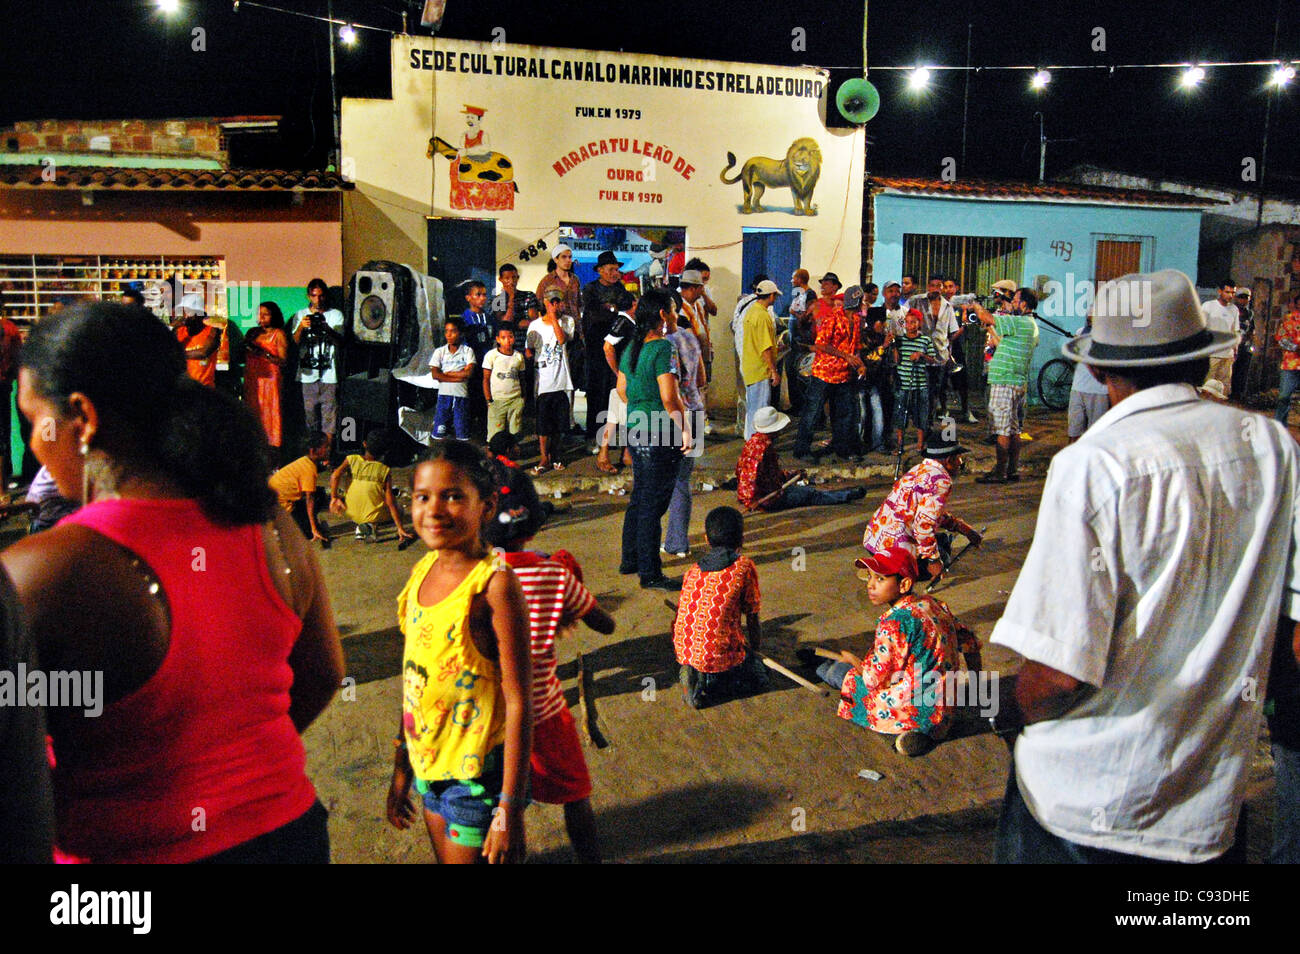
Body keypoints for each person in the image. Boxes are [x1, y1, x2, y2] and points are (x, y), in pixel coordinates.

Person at [3, 301, 344, 863]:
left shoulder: (44, 570)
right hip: (290, 834)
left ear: (82, 418)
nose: (35, 445)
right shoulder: (268, 521)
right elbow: (325, 672)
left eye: (33, 420)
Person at [988, 268, 1298, 864]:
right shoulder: (1274, 446)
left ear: (1099, 369)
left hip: (1084, 807)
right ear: (1203, 361)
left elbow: (1057, 675)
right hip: (1206, 813)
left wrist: (994, 707)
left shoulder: (1094, 464)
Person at [386, 441, 531, 864]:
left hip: (477, 782)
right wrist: (401, 769)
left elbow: (519, 699)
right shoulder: (419, 574)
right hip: (428, 770)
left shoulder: (494, 587)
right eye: (422, 497)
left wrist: (509, 809)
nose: (434, 510)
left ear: (485, 507)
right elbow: (415, 680)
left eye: (453, 496)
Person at [481, 467, 615, 863]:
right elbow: (604, 624)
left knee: (503, 802)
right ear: (534, 523)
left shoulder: (476, 576)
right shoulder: (554, 573)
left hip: (491, 715)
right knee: (575, 793)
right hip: (545, 712)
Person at [815, 544, 981, 756]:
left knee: (844, 677)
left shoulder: (893, 623)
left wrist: (854, 661)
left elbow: (874, 680)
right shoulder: (934, 604)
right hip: (946, 710)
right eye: (870, 577)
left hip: (912, 705)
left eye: (880, 579)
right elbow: (971, 643)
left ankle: (819, 666)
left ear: (904, 584)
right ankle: (922, 733)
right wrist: (976, 689)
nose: (870, 586)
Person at [618, 289, 690, 590]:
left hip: (636, 428)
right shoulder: (663, 348)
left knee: (641, 496)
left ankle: (630, 558)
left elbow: (622, 389)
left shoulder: (633, 347)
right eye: (672, 310)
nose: (675, 316)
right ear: (662, 315)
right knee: (653, 503)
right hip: (660, 431)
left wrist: (640, 405)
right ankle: (650, 573)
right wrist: (686, 429)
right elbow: (669, 398)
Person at [673, 506, 769, 709]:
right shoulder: (744, 567)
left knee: (712, 652)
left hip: (685, 650)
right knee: (761, 677)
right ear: (742, 540)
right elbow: (752, 616)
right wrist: (755, 652)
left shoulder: (693, 571)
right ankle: (715, 684)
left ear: (707, 539)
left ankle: (697, 675)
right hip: (720, 656)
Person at [862, 439, 981, 582]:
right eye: (958, 458)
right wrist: (933, 561)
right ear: (949, 460)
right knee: (944, 557)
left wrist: (963, 528)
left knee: (938, 542)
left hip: (873, 541)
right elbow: (923, 524)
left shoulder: (918, 469)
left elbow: (927, 515)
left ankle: (883, 566)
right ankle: (891, 572)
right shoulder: (941, 480)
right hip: (894, 550)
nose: (960, 462)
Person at [736, 406, 866, 511]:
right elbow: (748, 477)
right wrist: (752, 501)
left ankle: (845, 495)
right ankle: (846, 495)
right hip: (768, 498)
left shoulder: (756, 442)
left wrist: (789, 475)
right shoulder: (760, 449)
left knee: (808, 493)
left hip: (771, 489)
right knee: (811, 495)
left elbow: (761, 473)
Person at [793, 272, 864, 462]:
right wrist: (846, 356)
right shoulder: (832, 318)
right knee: (812, 412)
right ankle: (801, 449)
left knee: (843, 414)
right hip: (824, 373)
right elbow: (821, 344)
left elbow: (855, 346)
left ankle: (842, 449)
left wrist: (859, 363)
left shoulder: (856, 321)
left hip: (843, 375)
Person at [972, 288, 1039, 483]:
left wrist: (974, 303)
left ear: (1024, 304)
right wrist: (990, 329)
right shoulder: (1029, 325)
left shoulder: (1019, 322)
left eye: (1015, 300)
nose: (1012, 304)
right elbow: (1003, 345)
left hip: (1005, 382)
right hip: (1016, 382)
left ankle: (999, 472)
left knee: (1002, 430)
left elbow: (985, 315)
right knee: (1013, 429)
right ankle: (1011, 469)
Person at [663, 292, 707, 559]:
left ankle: (677, 542)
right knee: (683, 480)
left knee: (674, 482)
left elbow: (671, 387)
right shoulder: (691, 337)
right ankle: (675, 540)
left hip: (678, 415)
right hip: (696, 409)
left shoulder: (666, 343)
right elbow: (701, 377)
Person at [581, 251, 634, 450]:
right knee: (596, 393)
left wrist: (611, 309)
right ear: (600, 271)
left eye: (616, 269)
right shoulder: (591, 289)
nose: (615, 273)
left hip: (617, 350)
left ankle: (612, 435)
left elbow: (626, 309)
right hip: (596, 350)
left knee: (615, 392)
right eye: (611, 269)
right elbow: (595, 314)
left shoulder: (621, 289)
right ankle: (593, 435)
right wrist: (612, 310)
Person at [328, 428, 414, 546]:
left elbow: (335, 476)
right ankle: (369, 526)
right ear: (385, 452)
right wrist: (400, 528)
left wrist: (334, 497)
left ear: (364, 444)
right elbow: (390, 502)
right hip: (372, 515)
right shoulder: (384, 470)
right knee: (399, 509)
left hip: (351, 512)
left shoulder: (351, 459)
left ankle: (363, 525)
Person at [292, 278, 346, 445]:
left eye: (321, 296)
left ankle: (327, 455)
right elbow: (294, 341)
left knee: (330, 419)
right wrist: (302, 326)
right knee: (310, 419)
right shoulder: (300, 315)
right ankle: (313, 453)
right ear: (309, 296)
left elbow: (341, 341)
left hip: (330, 375)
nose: (318, 300)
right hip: (308, 376)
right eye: (314, 296)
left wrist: (326, 327)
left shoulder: (335, 314)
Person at [526, 289, 575, 473]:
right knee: (543, 424)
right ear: (545, 303)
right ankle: (544, 457)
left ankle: (557, 455)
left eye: (558, 301)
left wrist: (553, 317)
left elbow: (562, 339)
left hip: (562, 380)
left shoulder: (567, 321)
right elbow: (529, 349)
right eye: (552, 302)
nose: (556, 305)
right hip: (543, 382)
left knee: (560, 423)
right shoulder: (535, 326)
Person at [270, 430, 334, 547]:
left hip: (277, 498)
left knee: (319, 493)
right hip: (279, 505)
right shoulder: (309, 469)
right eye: (326, 447)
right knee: (305, 533)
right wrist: (313, 529)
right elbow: (310, 499)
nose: (329, 449)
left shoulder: (305, 461)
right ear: (313, 451)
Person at [739, 280, 782, 440]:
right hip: (760, 369)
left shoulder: (751, 311)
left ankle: (750, 442)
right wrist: (773, 371)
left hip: (750, 367)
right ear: (770, 296)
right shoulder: (762, 316)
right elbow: (765, 347)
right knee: (761, 413)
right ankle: (756, 446)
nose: (775, 298)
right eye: (775, 296)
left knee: (753, 409)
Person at [891, 309, 939, 454]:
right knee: (901, 415)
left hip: (920, 383)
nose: (910, 325)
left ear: (919, 323)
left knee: (921, 415)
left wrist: (921, 355)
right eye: (907, 322)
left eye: (913, 322)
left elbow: (933, 359)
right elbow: (896, 360)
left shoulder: (925, 340)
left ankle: (920, 444)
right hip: (903, 384)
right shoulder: (900, 340)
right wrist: (894, 347)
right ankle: (899, 444)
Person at [244, 301, 288, 449]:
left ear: (273, 316)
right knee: (253, 412)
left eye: (266, 314)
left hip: (270, 382)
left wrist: (264, 354)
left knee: (270, 415)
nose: (261, 317)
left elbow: (283, 361)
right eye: (259, 314)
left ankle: (273, 452)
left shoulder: (278, 334)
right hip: (253, 380)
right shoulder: (253, 333)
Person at [429, 316, 477, 442]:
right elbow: (435, 375)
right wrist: (458, 376)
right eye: (446, 331)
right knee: (439, 434)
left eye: (453, 331)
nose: (449, 335)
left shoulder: (467, 351)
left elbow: (468, 373)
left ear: (461, 333)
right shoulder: (440, 352)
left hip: (461, 397)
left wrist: (446, 374)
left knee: (462, 435)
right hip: (444, 397)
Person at [1066, 319, 1109, 441]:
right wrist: (1075, 346)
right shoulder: (1081, 332)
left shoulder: (1108, 335)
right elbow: (1072, 359)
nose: (1090, 315)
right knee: (1073, 433)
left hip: (1099, 392)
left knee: (1095, 437)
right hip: (1077, 389)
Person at [482, 324, 525, 444]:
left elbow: (522, 378)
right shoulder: (491, 355)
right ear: (498, 339)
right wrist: (489, 399)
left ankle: (511, 455)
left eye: (510, 337)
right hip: (497, 400)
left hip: (515, 399)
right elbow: (486, 379)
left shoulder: (518, 356)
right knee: (495, 432)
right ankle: (494, 457)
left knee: (515, 432)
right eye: (503, 337)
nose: (507, 340)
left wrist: (522, 397)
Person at [1200, 280, 1240, 395]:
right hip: (1212, 353)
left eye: (1233, 293)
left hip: (1227, 355)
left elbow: (1235, 330)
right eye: (1227, 292)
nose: (1230, 295)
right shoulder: (1208, 306)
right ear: (1220, 291)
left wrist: (1235, 349)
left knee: (1224, 389)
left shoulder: (1234, 309)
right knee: (1208, 387)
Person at [174, 295, 220, 388]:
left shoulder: (212, 331)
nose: (185, 316)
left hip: (204, 390)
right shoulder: (179, 332)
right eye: (183, 312)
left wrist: (178, 353)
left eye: (188, 312)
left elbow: (203, 353)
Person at [490, 263, 537, 337]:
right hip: (507, 344)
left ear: (518, 278)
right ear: (501, 279)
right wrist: (511, 297)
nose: (511, 281)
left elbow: (534, 323)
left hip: (527, 341)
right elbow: (505, 323)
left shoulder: (529, 295)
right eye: (507, 278)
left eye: (514, 277)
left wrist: (514, 323)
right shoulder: (496, 301)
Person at [1275, 292, 1300, 426]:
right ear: (1296, 304)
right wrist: (1295, 348)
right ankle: (1279, 426)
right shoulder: (1288, 320)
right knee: (1284, 396)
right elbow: (1281, 340)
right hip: (1290, 364)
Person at [1231, 287, 1254, 400]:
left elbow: (1251, 329)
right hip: (1232, 345)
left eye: (1246, 298)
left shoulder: (1250, 313)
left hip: (1244, 346)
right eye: (1241, 298)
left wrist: (1249, 339)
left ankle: (1238, 394)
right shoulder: (1231, 310)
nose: (1244, 301)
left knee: (1242, 371)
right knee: (1231, 370)